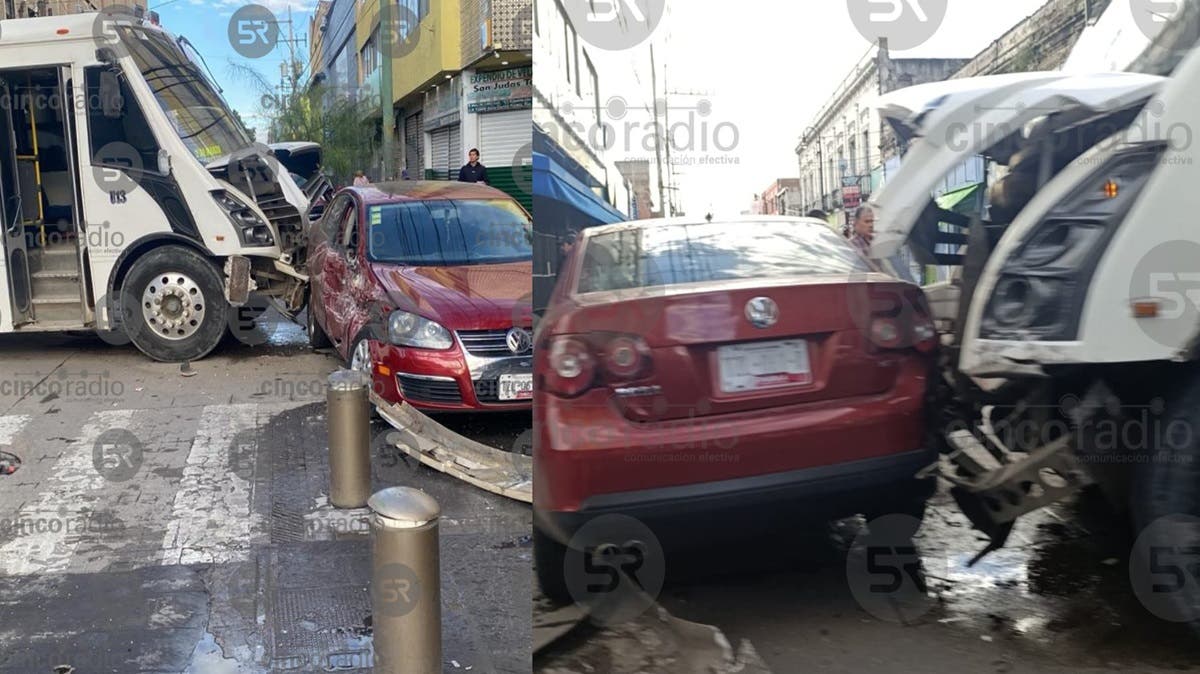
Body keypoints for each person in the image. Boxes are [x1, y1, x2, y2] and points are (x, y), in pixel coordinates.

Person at [849, 205, 917, 283]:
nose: (871, 225)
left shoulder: (875, 241)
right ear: (856, 222)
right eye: (867, 221)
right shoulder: (852, 245)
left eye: (872, 221)